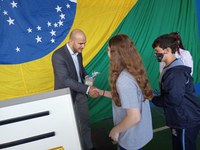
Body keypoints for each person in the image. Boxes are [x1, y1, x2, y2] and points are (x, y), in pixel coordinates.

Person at [98, 34, 153, 150]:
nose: (107, 53)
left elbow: (134, 117)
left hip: (131, 137)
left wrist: (115, 130)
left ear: (116, 54)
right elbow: (127, 98)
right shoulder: (134, 70)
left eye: (109, 50)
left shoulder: (123, 80)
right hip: (141, 133)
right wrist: (102, 92)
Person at [52, 29, 99, 150]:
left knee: (84, 122)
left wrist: (87, 77)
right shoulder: (57, 55)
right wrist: (87, 88)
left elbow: (80, 68)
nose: (83, 46)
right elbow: (65, 80)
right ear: (71, 41)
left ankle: (89, 147)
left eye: (84, 43)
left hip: (80, 93)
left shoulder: (79, 52)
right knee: (70, 127)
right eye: (80, 43)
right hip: (66, 96)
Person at [152, 34, 200, 150]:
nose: (155, 54)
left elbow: (174, 99)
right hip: (179, 117)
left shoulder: (175, 73)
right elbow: (172, 93)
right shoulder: (170, 68)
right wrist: (156, 94)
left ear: (167, 50)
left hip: (184, 119)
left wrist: (153, 98)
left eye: (157, 51)